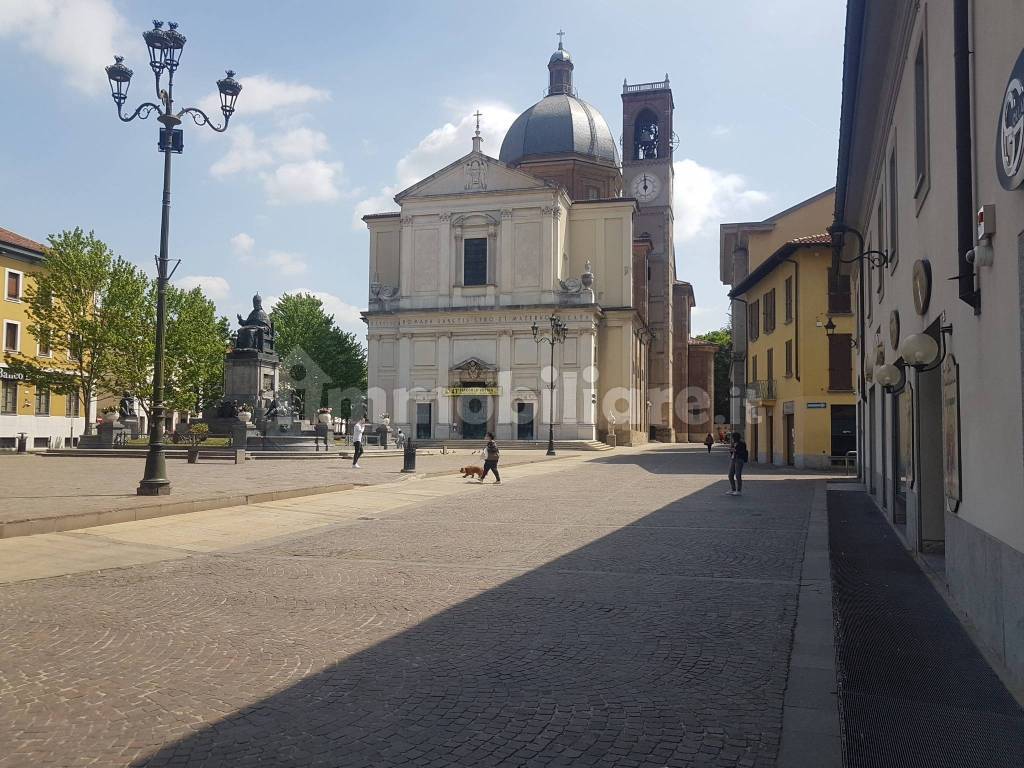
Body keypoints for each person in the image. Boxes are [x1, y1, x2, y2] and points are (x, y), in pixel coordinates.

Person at [727, 431, 748, 496]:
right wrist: (731, 450)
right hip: (733, 459)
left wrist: (735, 450)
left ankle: (739, 490)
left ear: (736, 437)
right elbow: (732, 451)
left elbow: (743, 452)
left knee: (738, 475)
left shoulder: (742, 443)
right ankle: (733, 489)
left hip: (739, 460)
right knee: (730, 475)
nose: (732, 438)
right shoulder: (733, 443)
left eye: (733, 437)